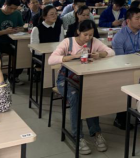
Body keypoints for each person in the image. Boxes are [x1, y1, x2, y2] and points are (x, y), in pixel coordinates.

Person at [49, 20, 114, 155]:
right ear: (78, 31)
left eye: (91, 35)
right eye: (85, 35)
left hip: (84, 79)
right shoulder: (68, 42)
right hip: (65, 80)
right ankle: (77, 136)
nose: (88, 38)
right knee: (75, 97)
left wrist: (100, 54)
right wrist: (73, 56)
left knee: (91, 96)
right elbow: (51, 60)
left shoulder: (94, 42)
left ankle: (96, 132)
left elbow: (111, 52)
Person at [112, 7, 140, 130]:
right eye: (137, 18)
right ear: (128, 21)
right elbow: (119, 59)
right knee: (125, 86)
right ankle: (120, 118)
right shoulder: (119, 37)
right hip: (125, 69)